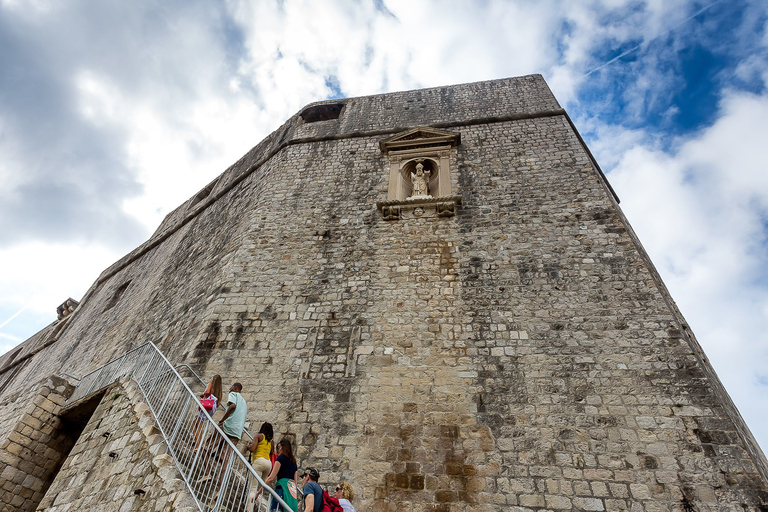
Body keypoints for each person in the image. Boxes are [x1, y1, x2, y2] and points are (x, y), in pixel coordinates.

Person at [197, 382, 248, 487]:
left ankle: (207, 473)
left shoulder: (234, 394)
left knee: (204, 447)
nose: (229, 388)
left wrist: (222, 420)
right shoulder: (244, 402)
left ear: (236, 388)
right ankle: (219, 490)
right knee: (225, 459)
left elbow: (232, 405)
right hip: (237, 433)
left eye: (231, 386)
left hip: (227, 426)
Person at [246, 422, 274, 511]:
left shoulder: (258, 436)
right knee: (260, 489)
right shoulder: (271, 441)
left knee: (253, 489)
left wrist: (248, 446)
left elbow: (253, 449)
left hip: (259, 461)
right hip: (268, 464)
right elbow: (271, 452)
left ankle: (249, 510)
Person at [264, 438, 298, 511]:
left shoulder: (280, 458)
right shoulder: (294, 462)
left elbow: (271, 478)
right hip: (291, 492)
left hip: (281, 489)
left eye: (278, 448)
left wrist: (260, 490)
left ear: (282, 447)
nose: (278, 451)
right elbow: (295, 483)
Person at [192, 374, 222, 451]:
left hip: (205, 406)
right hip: (211, 408)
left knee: (198, 426)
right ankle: (196, 440)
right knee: (195, 424)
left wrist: (202, 394)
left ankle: (198, 446)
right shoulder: (219, 392)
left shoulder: (210, 384)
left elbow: (206, 392)